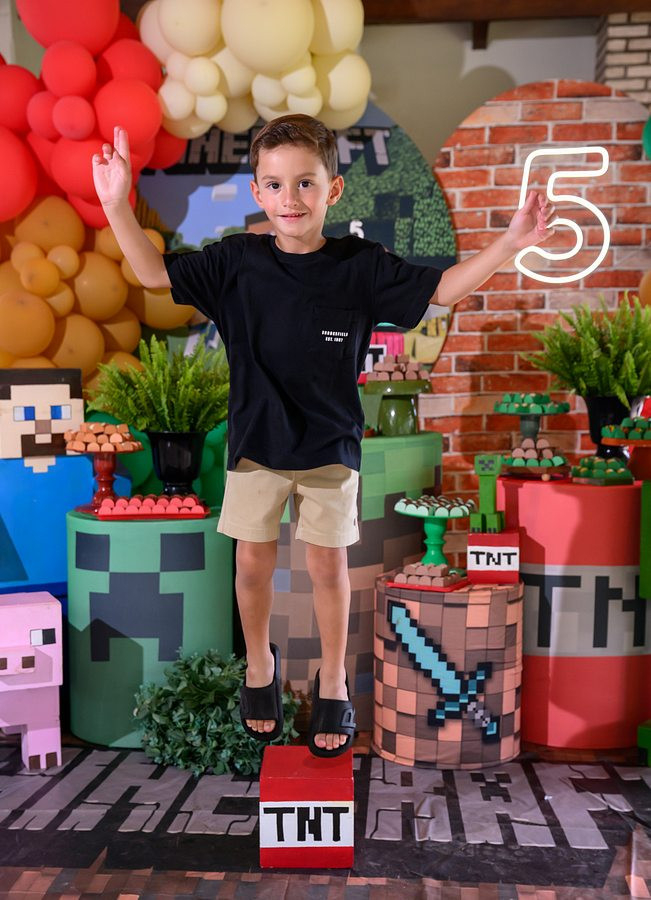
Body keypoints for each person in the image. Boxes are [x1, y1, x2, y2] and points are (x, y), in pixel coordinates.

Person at [92, 115, 554, 758]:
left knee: (326, 566)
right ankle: (260, 665)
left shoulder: (360, 266)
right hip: (257, 444)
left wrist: (510, 243)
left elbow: (444, 290)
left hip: (331, 447)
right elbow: (151, 273)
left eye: (305, 183)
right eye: (275, 185)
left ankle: (332, 680)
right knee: (251, 561)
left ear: (333, 190)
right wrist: (116, 203)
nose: (291, 199)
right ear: (257, 192)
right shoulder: (237, 261)